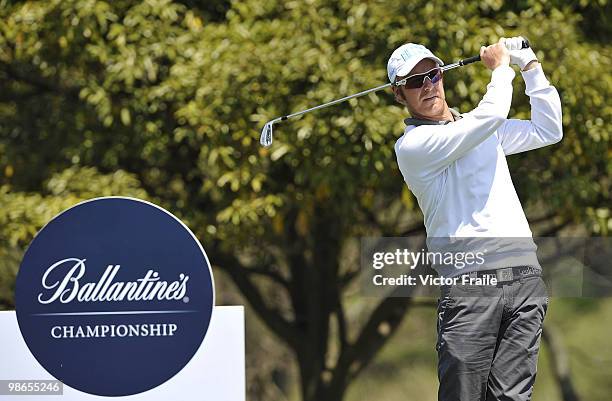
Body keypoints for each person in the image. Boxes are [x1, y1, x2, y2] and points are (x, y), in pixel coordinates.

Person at [387, 37, 563, 401]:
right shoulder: (413, 147)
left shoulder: (481, 128)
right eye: (414, 82)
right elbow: (493, 114)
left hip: (524, 280)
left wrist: (530, 66)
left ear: (442, 76)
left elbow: (549, 129)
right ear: (399, 95)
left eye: (432, 74)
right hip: (470, 288)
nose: (428, 86)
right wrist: (500, 68)